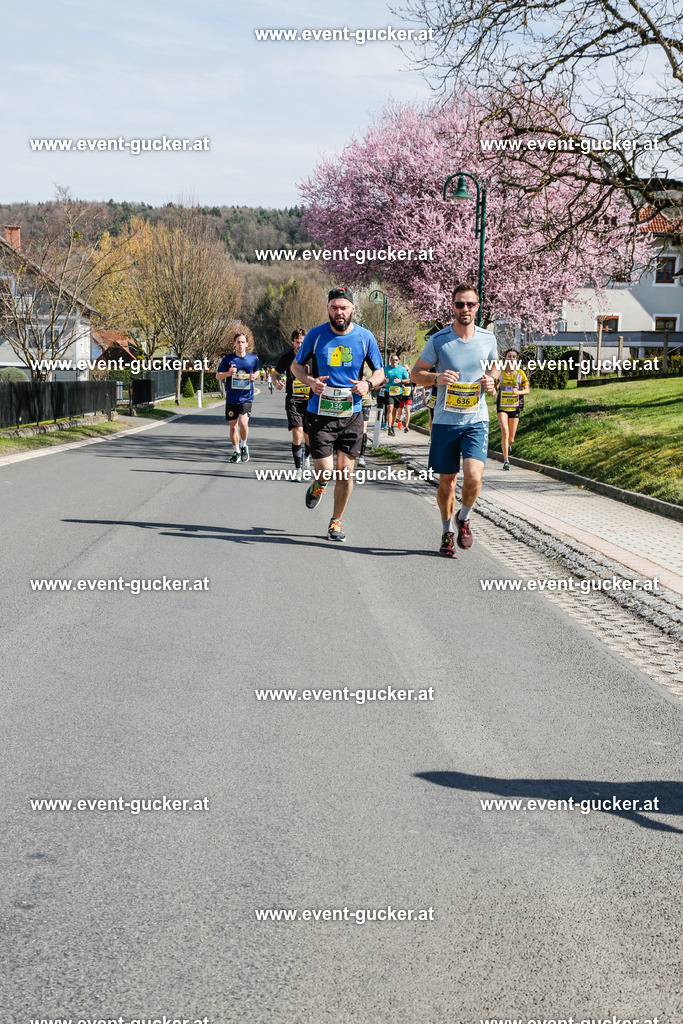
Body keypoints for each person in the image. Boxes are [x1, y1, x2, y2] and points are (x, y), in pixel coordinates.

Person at [411, 283, 498, 557]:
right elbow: (416, 373)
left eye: (470, 304)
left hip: (476, 420)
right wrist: (436, 377)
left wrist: (492, 381)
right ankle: (447, 531)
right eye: (460, 304)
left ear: (477, 307)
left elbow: (495, 366)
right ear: (452, 306)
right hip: (445, 422)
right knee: (447, 482)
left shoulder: (488, 339)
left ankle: (465, 516)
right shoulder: (439, 340)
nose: (465, 309)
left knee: (473, 477)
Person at [291, 286, 384, 542]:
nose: (339, 312)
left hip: (352, 413)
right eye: (334, 308)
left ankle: (336, 521)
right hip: (320, 413)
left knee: (345, 471)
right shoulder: (316, 335)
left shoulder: (365, 338)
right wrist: (310, 381)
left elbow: (380, 372)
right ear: (328, 309)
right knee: (326, 470)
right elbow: (296, 365)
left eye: (343, 307)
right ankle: (319, 485)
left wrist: (369, 384)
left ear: (353, 308)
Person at [273, 328, 312, 481]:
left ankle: (306, 455)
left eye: (302, 342)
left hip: (310, 401)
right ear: (292, 342)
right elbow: (275, 373)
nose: (300, 345)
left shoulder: (312, 357)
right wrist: (277, 382)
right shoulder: (286, 357)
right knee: (297, 432)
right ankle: (298, 469)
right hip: (293, 400)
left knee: (309, 438)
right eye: (297, 342)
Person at [216, 332, 260, 463]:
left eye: (242, 342)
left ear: (247, 344)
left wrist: (255, 376)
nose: (240, 344)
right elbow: (218, 375)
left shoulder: (253, 359)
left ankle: (244, 445)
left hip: (246, 396)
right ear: (234, 343)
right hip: (232, 398)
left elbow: (257, 371)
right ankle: (236, 451)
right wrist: (228, 373)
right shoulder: (227, 359)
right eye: (238, 342)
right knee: (233, 426)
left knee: (243, 423)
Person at [496, 347, 530, 468]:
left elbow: (527, 390)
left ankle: (508, 445)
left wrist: (518, 392)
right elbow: (494, 387)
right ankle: (506, 461)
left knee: (511, 438)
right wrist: (494, 391)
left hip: (515, 407)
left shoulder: (520, 373)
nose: (511, 359)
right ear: (505, 358)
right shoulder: (500, 373)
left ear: (517, 360)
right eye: (509, 356)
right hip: (502, 407)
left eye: (514, 357)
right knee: (504, 432)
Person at [384, 354, 410, 436]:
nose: (394, 361)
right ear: (390, 360)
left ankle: (392, 426)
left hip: (398, 392)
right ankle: (389, 428)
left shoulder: (402, 369)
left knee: (395, 411)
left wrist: (400, 381)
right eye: (392, 359)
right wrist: (384, 379)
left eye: (396, 360)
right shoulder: (385, 369)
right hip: (389, 390)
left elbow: (408, 380)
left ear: (398, 361)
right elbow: (380, 378)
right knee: (390, 408)